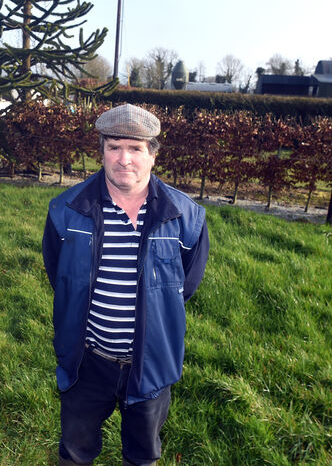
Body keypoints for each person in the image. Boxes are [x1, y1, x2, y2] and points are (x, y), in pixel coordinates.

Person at [42, 104, 209, 466]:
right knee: (74, 453)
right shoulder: (66, 211)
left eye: (135, 148)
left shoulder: (186, 217)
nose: (124, 159)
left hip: (150, 364)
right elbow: (62, 278)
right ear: (101, 151)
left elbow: (186, 286)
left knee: (142, 456)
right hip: (87, 361)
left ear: (153, 154)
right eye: (114, 146)